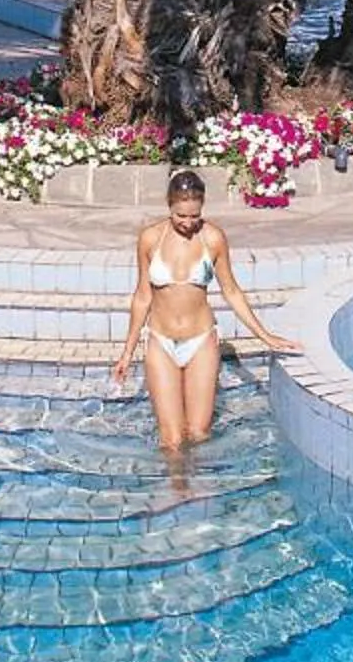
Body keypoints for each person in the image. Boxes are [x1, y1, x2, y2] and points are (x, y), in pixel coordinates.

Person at [111, 170, 297, 466]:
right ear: (169, 206)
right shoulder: (149, 239)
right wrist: (126, 352)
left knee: (198, 433)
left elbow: (232, 291)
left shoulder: (212, 238)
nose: (187, 223)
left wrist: (265, 336)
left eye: (194, 216)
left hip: (201, 341)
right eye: (180, 215)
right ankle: (176, 491)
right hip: (160, 341)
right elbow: (142, 296)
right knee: (171, 439)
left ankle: (199, 493)